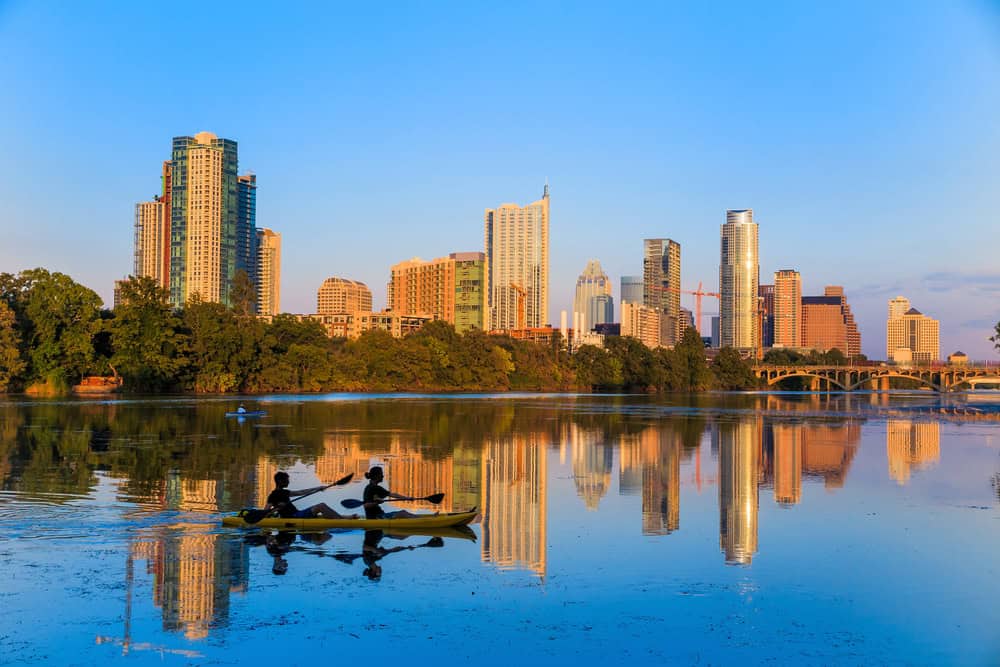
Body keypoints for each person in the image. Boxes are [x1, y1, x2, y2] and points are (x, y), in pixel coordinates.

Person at [263, 471, 357, 520]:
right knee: (321, 506)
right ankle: (341, 521)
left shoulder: (284, 492)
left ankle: (344, 517)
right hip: (294, 517)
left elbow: (301, 492)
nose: (288, 481)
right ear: (280, 481)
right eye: (287, 480)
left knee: (321, 508)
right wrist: (275, 510)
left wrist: (318, 488)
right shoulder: (273, 495)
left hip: (297, 514)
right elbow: (265, 511)